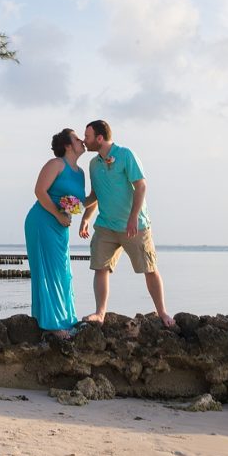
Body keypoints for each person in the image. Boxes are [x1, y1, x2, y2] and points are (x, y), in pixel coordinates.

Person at [78, 119, 174, 327]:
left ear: (100, 138)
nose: (84, 140)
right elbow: (95, 195)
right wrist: (84, 216)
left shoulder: (126, 155)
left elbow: (140, 186)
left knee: (149, 268)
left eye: (87, 136)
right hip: (106, 225)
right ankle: (100, 313)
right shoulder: (93, 164)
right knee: (100, 267)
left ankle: (163, 312)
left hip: (135, 225)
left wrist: (133, 218)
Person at [23, 128, 85, 338]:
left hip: (61, 226)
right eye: (77, 139)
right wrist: (58, 215)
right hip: (42, 221)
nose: (82, 141)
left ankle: (67, 320)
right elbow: (40, 191)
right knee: (48, 272)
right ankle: (52, 324)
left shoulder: (81, 172)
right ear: (68, 145)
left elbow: (78, 202)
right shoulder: (56, 164)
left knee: (63, 272)